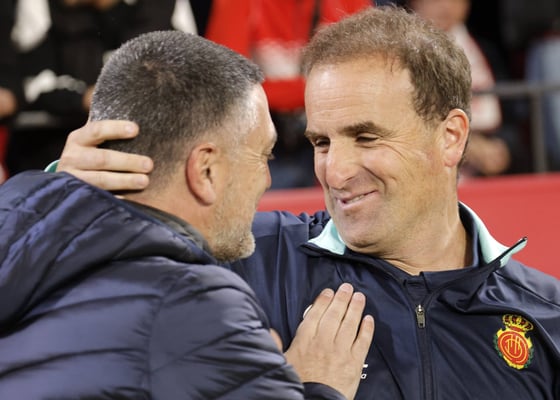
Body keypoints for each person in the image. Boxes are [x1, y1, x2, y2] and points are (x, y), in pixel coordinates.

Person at [48, 6, 560, 399]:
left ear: (450, 137)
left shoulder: (547, 315)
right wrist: (63, 199)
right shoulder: (245, 255)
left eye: (366, 137)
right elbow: (64, 296)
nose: (334, 171)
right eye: (321, 142)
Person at [0, 30, 374, 399]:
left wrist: (58, 191)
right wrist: (316, 386)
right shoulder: (198, 306)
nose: (267, 179)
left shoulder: (23, 249)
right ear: (205, 170)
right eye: (263, 156)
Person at [205, 0, 371, 189]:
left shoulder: (349, 3)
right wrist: (322, 91)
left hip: (332, 134)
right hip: (266, 139)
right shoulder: (239, 4)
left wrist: (277, 92)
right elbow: (226, 86)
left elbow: (366, 81)